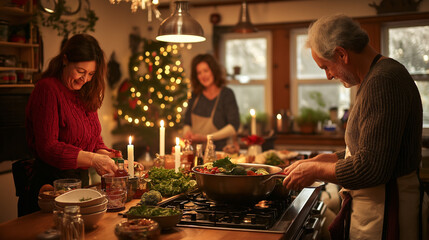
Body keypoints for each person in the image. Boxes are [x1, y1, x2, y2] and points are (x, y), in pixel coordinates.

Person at [282, 14, 427, 239]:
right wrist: (321, 160)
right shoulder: (373, 77)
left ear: (341, 54)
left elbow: (371, 167)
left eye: (326, 67)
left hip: (389, 213)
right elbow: (368, 148)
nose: (329, 76)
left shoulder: (383, 81)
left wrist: (316, 170)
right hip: (376, 210)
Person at [23, 34, 119, 216]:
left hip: (78, 187)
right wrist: (93, 160)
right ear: (65, 59)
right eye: (81, 71)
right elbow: (48, 147)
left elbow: (93, 142)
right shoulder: (47, 89)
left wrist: (109, 157)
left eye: (91, 74)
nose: (85, 79)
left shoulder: (84, 93)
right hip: (50, 189)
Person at [183, 54, 240, 151]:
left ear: (213, 71)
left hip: (220, 153)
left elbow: (233, 126)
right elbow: (187, 122)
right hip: (197, 153)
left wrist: (207, 138)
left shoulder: (226, 94)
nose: (203, 76)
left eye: (206, 71)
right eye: (199, 73)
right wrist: (187, 132)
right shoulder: (195, 95)